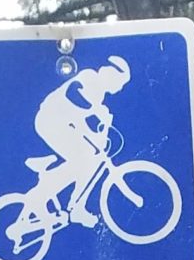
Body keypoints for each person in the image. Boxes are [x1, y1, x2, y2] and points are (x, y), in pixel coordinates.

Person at [29, 55, 131, 225]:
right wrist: (96, 111)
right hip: (49, 122)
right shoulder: (89, 77)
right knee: (83, 159)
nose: (120, 88)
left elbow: (79, 121)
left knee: (88, 158)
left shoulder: (98, 95)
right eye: (120, 82)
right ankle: (63, 203)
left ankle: (73, 204)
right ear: (110, 74)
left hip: (61, 125)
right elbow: (74, 98)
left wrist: (98, 136)